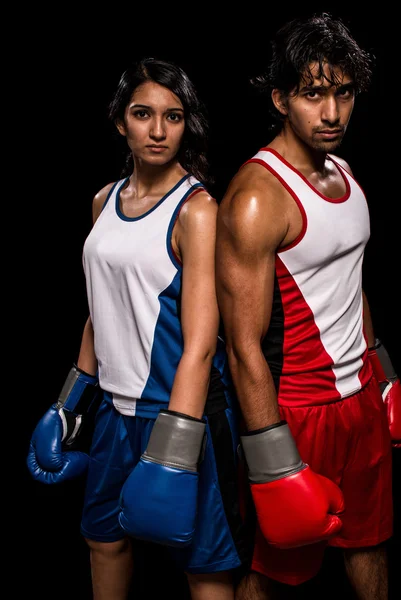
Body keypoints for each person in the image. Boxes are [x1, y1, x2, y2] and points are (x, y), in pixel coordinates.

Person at [27, 57, 249, 600]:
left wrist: (175, 446)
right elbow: (101, 310)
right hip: (113, 413)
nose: (157, 130)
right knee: (103, 541)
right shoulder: (104, 200)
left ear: (185, 124)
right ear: (120, 121)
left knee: (206, 568)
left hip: (181, 413)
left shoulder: (197, 209)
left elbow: (201, 342)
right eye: (143, 114)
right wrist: (67, 404)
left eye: (172, 117)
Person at [215, 13, 401, 600]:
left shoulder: (346, 174)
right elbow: (242, 345)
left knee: (370, 544)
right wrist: (274, 460)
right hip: (299, 410)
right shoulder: (256, 198)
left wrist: (385, 377)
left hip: (361, 401)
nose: (332, 114)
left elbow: (352, 285)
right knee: (272, 570)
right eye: (312, 94)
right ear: (280, 98)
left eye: (343, 92)